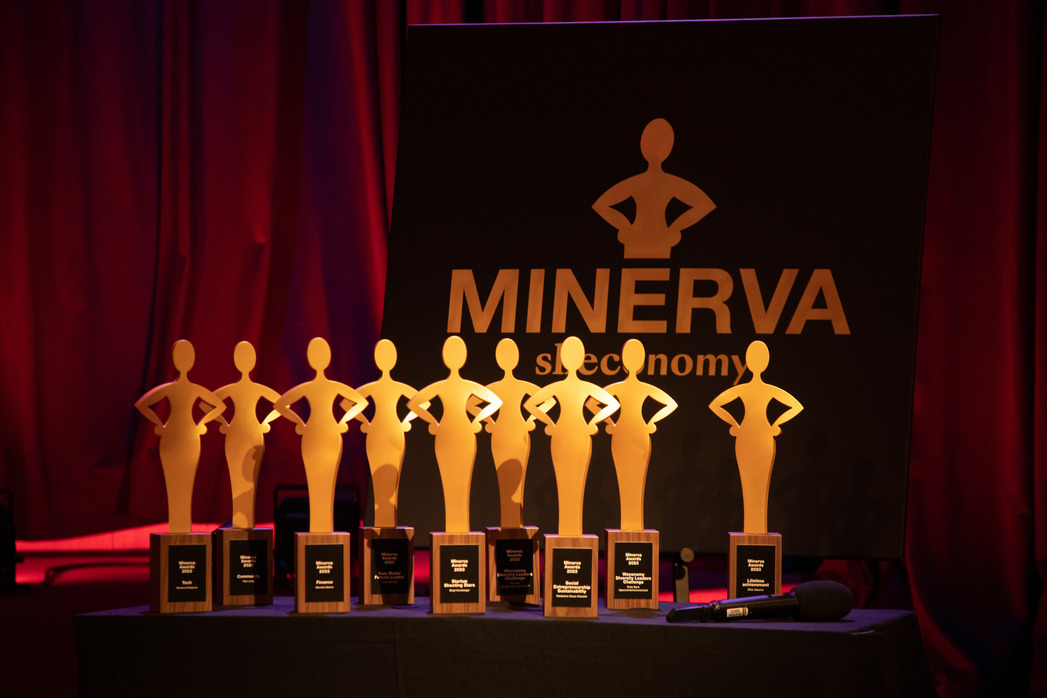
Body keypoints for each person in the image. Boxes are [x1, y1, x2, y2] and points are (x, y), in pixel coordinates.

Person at [523, 336, 619, 536]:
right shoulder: (580, 387)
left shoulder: (564, 386)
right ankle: (569, 529)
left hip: (568, 435)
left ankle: (571, 529)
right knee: (567, 482)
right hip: (574, 435)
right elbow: (612, 404)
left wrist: (551, 423)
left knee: (575, 482)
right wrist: (592, 422)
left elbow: (531, 404)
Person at [407, 336, 501, 534]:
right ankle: (455, 526)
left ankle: (458, 526)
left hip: (453, 434)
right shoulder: (461, 386)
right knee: (451, 481)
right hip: (455, 434)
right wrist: (477, 421)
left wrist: (435, 422)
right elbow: (494, 402)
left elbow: (415, 403)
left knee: (461, 481)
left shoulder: (452, 386)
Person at [708, 340, 803, 533]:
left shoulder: (750, 389)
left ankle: (756, 527)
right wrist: (773, 424)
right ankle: (753, 526)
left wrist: (736, 425)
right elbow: (716, 405)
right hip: (756, 436)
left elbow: (716, 405)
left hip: (752, 436)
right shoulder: (760, 390)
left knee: (759, 483)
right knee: (750, 484)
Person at [274, 337, 366, 534]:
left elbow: (281, 405)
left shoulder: (318, 387)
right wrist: (340, 421)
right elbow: (280, 405)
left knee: (326, 482)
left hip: (321, 435)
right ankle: (320, 526)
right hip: (322, 435)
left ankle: (323, 526)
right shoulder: (321, 387)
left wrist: (302, 423)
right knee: (317, 482)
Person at [592, 117, 715, 259]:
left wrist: (675, 227)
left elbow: (704, 204)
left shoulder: (644, 182)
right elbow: (601, 205)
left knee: (653, 268)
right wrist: (626, 226)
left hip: (654, 239)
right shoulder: (659, 182)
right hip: (644, 238)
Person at [135, 339, 225, 533]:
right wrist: (200, 424)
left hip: (179, 436)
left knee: (180, 484)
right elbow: (218, 406)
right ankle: (180, 527)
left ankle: (181, 527)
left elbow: (143, 405)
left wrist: (161, 424)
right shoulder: (185, 389)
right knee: (178, 483)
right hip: (185, 436)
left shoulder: (177, 389)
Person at [600, 339, 678, 531]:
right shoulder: (624, 387)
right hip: (630, 434)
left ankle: (633, 524)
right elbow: (593, 403)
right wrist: (611, 422)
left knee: (636, 482)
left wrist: (611, 422)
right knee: (626, 480)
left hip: (632, 435)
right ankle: (629, 524)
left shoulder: (623, 388)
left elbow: (670, 404)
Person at [349, 339, 420, 529]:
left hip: (385, 433)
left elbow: (348, 404)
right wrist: (404, 421)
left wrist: (366, 422)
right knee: (380, 478)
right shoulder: (386, 387)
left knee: (391, 480)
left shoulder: (381, 387)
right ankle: (383, 522)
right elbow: (421, 403)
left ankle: (387, 522)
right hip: (386, 433)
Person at [213, 341, 280, 530]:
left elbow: (282, 404)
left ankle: (246, 521)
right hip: (241, 435)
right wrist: (224, 423)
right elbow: (207, 404)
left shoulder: (249, 388)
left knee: (250, 481)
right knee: (238, 480)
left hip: (248, 435)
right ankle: (241, 521)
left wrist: (264, 422)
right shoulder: (240, 388)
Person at [481, 338, 544, 529]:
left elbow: (547, 400)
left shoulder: (496, 387)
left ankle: (514, 522)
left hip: (513, 433)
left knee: (518, 478)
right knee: (506, 480)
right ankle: (509, 522)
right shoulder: (497, 387)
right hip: (507, 433)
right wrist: (530, 419)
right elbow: (546, 401)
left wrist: (530, 419)